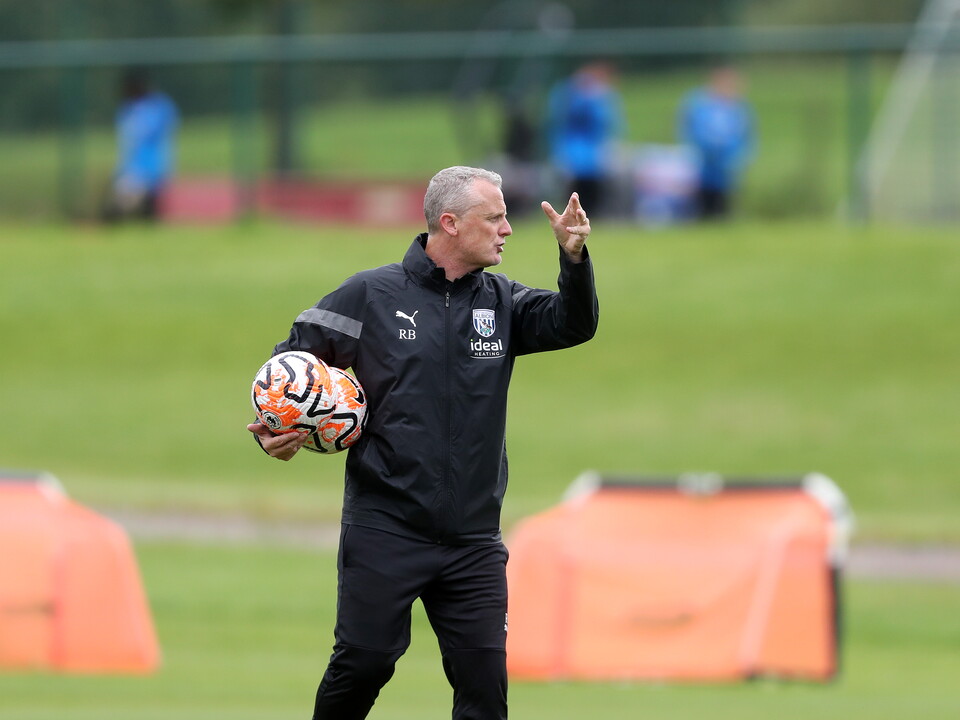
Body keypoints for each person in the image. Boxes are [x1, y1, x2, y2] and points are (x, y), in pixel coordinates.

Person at [247, 166, 598, 720]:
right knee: (363, 665)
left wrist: (574, 260)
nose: (508, 228)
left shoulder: (501, 303)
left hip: (473, 539)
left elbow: (571, 324)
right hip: (386, 526)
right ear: (450, 223)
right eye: (496, 217)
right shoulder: (369, 295)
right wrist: (278, 431)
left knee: (485, 691)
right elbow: (287, 369)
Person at [545, 61, 624, 217]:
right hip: (579, 149)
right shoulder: (576, 94)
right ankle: (578, 214)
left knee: (590, 186)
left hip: (589, 150)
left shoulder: (595, 94)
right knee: (580, 186)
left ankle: (590, 213)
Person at [678, 65, 755, 220]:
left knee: (724, 205)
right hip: (702, 164)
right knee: (703, 204)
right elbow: (691, 130)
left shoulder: (739, 107)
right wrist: (705, 149)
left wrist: (739, 156)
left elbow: (746, 136)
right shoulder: (699, 103)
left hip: (727, 166)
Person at [103, 68, 179, 222]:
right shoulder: (127, 109)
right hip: (132, 170)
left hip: (152, 169)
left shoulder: (159, 107)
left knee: (143, 210)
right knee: (126, 207)